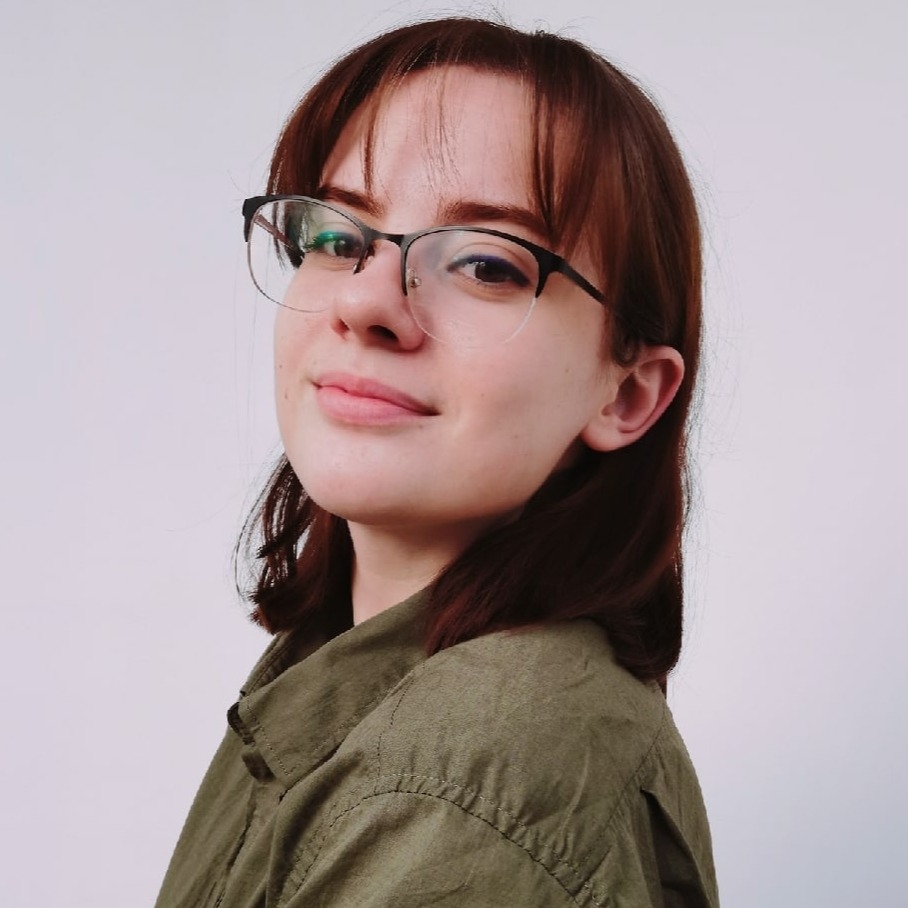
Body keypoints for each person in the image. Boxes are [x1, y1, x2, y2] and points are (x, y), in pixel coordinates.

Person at [156, 17, 718, 908]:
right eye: (337, 237)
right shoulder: (345, 680)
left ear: (627, 395)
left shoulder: (466, 780)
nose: (367, 301)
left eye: (487, 263)